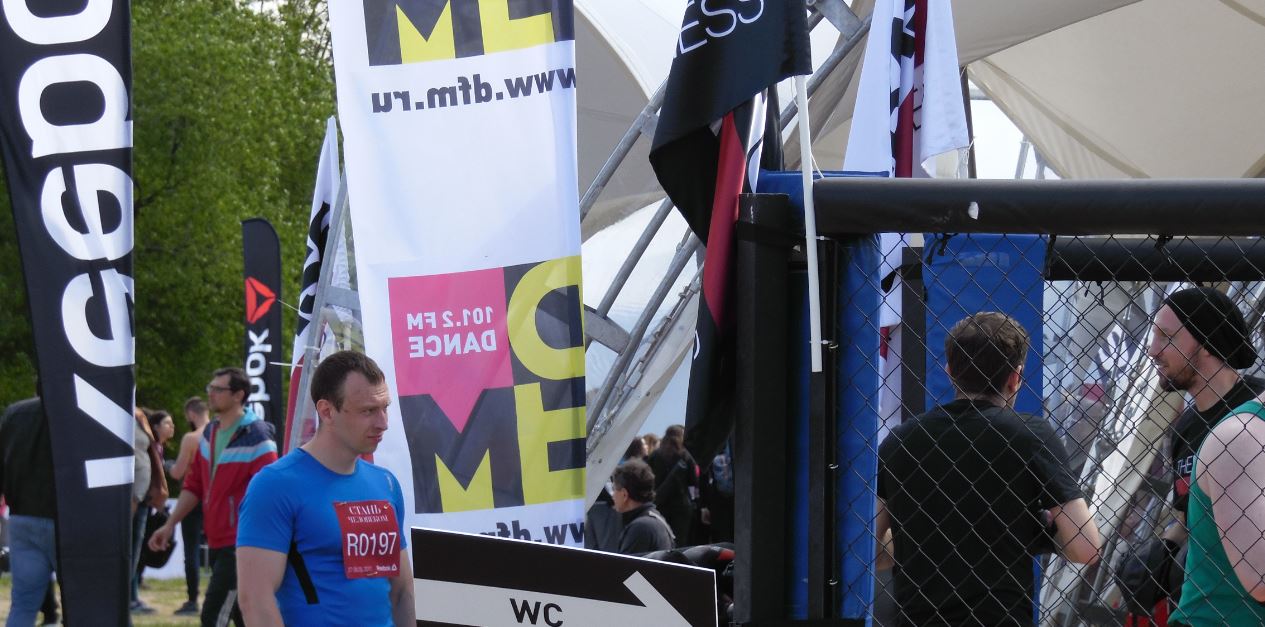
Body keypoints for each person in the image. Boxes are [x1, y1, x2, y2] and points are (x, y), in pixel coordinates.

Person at [876, 311, 1101, 625]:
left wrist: (918, 538)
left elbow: (870, 550)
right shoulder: (1029, 435)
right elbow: (1086, 547)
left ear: (950, 372)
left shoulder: (900, 441)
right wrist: (1039, 532)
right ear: (1015, 378)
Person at [236, 350, 414, 625]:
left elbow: (401, 591)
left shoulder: (385, 483)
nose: (383, 423)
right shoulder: (275, 485)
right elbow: (255, 600)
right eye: (368, 411)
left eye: (384, 408)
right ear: (327, 411)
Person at [1130, 287, 1265, 617]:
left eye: (1166, 337)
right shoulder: (1184, 430)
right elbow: (1188, 516)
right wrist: (1166, 549)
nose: (1152, 350)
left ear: (1205, 342)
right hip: (1209, 604)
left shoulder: (1255, 410)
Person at [149, 368, 278, 627]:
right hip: (219, 539)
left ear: (238, 395)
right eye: (211, 387)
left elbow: (271, 494)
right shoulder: (210, 433)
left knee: (213, 616)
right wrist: (169, 524)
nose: (211, 393)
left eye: (218, 389)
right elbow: (194, 485)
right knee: (244, 617)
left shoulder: (258, 437)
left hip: (243, 544)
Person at [0, 391, 59, 627]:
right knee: (81, 604)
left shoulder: (15, 413)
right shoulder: (77, 411)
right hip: (66, 520)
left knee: (23, 605)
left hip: (22, 517)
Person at [170, 396, 211, 616]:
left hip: (193, 498)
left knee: (192, 551)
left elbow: (178, 472)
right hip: (216, 498)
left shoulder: (191, 438)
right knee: (221, 550)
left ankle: (193, 600)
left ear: (191, 414)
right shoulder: (221, 433)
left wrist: (166, 466)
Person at [646, 425, 697, 544]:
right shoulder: (685, 455)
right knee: (680, 541)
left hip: (659, 503)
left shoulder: (654, 456)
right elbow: (693, 481)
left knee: (663, 539)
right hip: (681, 506)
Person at [612, 459, 674, 555]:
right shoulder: (653, 518)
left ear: (624, 494)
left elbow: (626, 565)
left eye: (614, 489)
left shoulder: (640, 527)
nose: (613, 495)